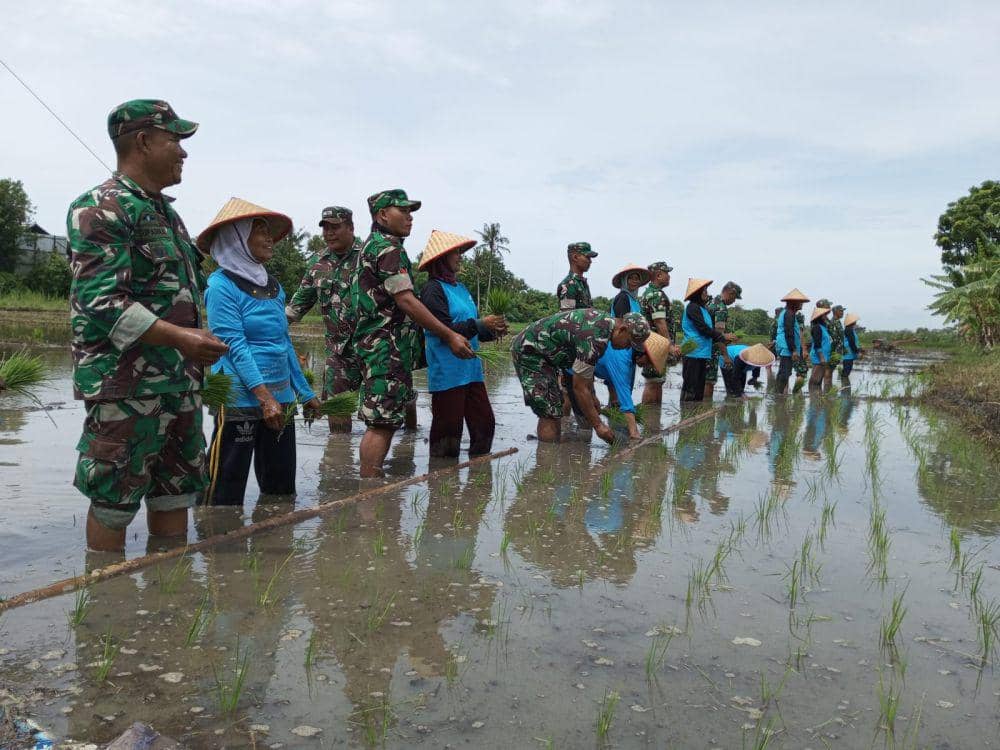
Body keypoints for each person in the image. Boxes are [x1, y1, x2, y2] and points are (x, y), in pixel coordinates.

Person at [68, 99, 228, 552]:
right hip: (125, 386)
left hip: (178, 382)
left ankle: (169, 600)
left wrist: (189, 347)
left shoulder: (167, 215)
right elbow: (101, 299)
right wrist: (181, 337)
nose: (183, 152)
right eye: (175, 139)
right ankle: (104, 602)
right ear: (143, 141)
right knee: (113, 497)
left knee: (176, 491)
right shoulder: (100, 207)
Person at [198, 198, 320, 504]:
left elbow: (283, 343)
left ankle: (275, 546)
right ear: (237, 237)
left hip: (280, 397)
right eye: (260, 231)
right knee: (226, 486)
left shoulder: (274, 286)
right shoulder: (220, 286)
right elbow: (234, 346)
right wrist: (263, 398)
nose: (270, 239)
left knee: (280, 489)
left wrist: (304, 393)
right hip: (240, 395)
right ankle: (218, 543)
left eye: (269, 232)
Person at [350, 189, 475, 477]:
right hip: (385, 348)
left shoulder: (372, 246)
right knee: (381, 422)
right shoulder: (388, 249)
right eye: (402, 211)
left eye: (411, 212)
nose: (409, 217)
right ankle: (369, 490)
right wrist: (450, 335)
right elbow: (406, 300)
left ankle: (371, 483)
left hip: (379, 346)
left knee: (383, 420)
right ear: (382, 215)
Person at [417, 230, 507, 457]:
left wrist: (492, 330)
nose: (460, 256)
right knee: (448, 436)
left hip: (472, 371)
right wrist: (479, 323)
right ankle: (441, 484)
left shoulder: (461, 289)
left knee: (485, 426)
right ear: (442, 257)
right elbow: (443, 331)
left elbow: (473, 333)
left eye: (459, 252)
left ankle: (478, 482)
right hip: (448, 374)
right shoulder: (432, 289)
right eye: (455, 252)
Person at [511, 310, 650, 443]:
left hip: (547, 355)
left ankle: (552, 451)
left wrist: (593, 395)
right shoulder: (595, 338)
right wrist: (599, 426)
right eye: (629, 343)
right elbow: (579, 388)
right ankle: (547, 460)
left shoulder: (605, 325)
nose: (627, 348)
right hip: (530, 351)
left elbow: (584, 370)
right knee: (550, 411)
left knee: (555, 406)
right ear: (623, 329)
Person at [286, 206, 362, 432]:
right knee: (337, 408)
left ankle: (403, 448)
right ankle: (339, 459)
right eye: (325, 228)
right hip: (337, 353)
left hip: (373, 348)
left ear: (350, 228)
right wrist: (265, 328)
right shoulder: (318, 264)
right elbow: (295, 308)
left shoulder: (370, 255)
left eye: (335, 227)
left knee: (386, 409)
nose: (329, 233)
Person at [593, 332, 669, 438]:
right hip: (574, 369)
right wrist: (634, 433)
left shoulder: (631, 356)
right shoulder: (622, 358)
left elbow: (612, 379)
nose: (648, 365)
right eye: (650, 361)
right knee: (584, 421)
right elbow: (626, 400)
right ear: (643, 352)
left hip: (587, 372)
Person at [679, 279, 734, 402]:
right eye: (703, 291)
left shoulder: (703, 309)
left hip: (703, 353)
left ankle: (696, 416)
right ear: (696, 293)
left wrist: (724, 337)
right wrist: (722, 337)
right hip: (692, 353)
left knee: (699, 389)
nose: (706, 293)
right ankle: (686, 415)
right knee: (690, 388)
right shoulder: (692, 307)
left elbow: (710, 329)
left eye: (706, 290)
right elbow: (702, 328)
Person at [640, 261, 682, 404]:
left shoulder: (651, 293)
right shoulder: (655, 295)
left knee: (657, 382)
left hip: (654, 344)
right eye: (667, 273)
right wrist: (669, 345)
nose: (669, 276)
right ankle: (650, 421)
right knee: (653, 383)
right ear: (658, 275)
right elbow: (660, 323)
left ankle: (654, 421)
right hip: (655, 345)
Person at [704, 281, 742, 399]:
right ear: (730, 293)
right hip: (711, 350)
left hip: (702, 348)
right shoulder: (721, 309)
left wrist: (727, 337)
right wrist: (726, 356)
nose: (734, 301)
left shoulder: (710, 302)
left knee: (702, 380)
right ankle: (705, 407)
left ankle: (697, 409)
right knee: (709, 381)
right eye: (735, 298)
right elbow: (719, 335)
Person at [773, 288, 810, 394]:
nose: (802, 305)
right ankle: (778, 396)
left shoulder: (788, 313)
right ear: (794, 302)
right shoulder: (789, 313)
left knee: (784, 373)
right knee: (784, 373)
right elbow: (789, 332)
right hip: (787, 348)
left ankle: (777, 395)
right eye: (800, 302)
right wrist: (793, 350)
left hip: (787, 347)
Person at [556, 242, 597, 310]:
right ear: (575, 257)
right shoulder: (568, 284)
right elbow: (567, 316)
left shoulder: (581, 282)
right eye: (587, 257)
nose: (590, 261)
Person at [808, 306, 832, 392]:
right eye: (825, 314)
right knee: (815, 381)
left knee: (818, 381)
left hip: (823, 357)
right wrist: (821, 357)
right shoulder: (817, 327)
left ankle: (817, 400)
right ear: (820, 316)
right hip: (818, 358)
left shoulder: (823, 327)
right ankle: (813, 401)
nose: (826, 316)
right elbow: (817, 344)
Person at [842, 312, 862, 384]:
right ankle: (844, 390)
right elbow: (851, 342)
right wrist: (857, 351)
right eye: (855, 321)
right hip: (848, 354)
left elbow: (853, 342)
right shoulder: (849, 330)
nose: (856, 322)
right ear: (852, 322)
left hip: (849, 354)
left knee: (847, 370)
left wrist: (859, 349)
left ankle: (845, 389)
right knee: (846, 371)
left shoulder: (850, 329)